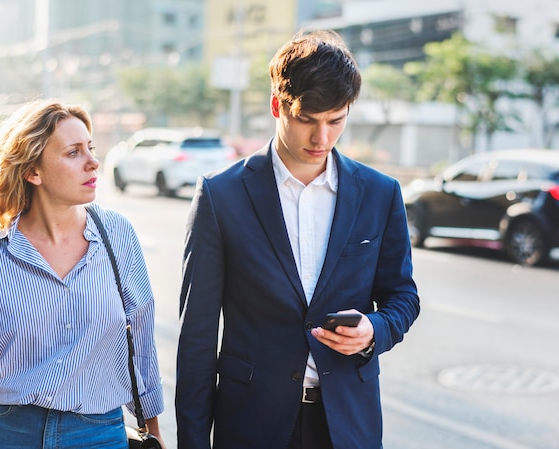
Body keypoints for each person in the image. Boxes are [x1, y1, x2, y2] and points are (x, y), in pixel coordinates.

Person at [175, 30, 420, 449]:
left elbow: (403, 296)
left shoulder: (380, 193)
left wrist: (374, 330)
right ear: (277, 105)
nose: (321, 138)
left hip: (347, 425)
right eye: (307, 119)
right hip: (251, 425)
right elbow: (196, 338)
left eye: (335, 121)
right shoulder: (221, 196)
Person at [0, 99, 166, 449]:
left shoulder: (117, 235)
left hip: (100, 435)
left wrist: (155, 431)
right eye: (73, 152)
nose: (93, 162)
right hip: (11, 435)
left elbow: (142, 342)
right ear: (33, 171)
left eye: (90, 148)